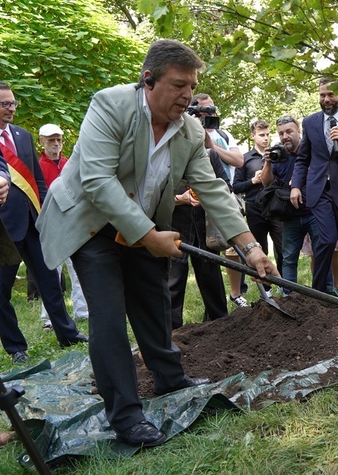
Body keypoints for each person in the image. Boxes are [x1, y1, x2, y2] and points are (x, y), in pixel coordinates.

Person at [36, 40, 277, 448]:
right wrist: (148, 237)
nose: (188, 95)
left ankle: (168, 377)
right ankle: (127, 416)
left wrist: (250, 247)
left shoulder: (190, 130)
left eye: (192, 86)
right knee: (109, 318)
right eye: (179, 85)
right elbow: (97, 181)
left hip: (142, 224)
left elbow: (214, 191)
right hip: (91, 224)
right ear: (148, 80)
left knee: (153, 303)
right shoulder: (110, 106)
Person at [0, 82, 87, 364]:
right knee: (0, 293)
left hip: (34, 224)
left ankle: (67, 333)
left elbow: (37, 180)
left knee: (51, 283)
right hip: (2, 229)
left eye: (13, 103)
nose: (11, 108)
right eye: (5, 104)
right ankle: (16, 348)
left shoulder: (22, 136)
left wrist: (48, 211)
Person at [290, 79, 338, 298]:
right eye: (322, 95)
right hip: (318, 191)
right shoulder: (310, 122)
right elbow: (302, 158)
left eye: (330, 95)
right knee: (325, 240)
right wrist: (296, 186)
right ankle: (318, 294)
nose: (326, 99)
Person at [191, 93, 249, 308]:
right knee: (204, 255)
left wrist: (212, 146)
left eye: (212, 110)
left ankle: (234, 294)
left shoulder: (223, 134)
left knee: (228, 247)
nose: (209, 114)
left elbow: (239, 160)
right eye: (203, 110)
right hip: (193, 201)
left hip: (223, 195)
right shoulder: (187, 129)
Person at [260, 115, 328, 294]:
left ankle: (327, 293)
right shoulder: (278, 155)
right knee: (289, 258)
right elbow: (266, 182)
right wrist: (268, 161)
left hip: (314, 211)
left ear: (299, 130)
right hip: (290, 215)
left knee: (322, 254)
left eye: (289, 131)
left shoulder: (312, 149)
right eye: (281, 133)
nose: (285, 136)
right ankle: (289, 295)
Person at [168, 148, 230, 329]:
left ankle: (220, 326)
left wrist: (207, 193)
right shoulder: (167, 156)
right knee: (173, 283)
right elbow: (153, 196)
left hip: (205, 232)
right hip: (176, 230)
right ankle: (172, 334)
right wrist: (180, 199)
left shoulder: (209, 155)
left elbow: (225, 186)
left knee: (211, 280)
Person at [37, 123, 89, 323]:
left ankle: (82, 312)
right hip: (51, 225)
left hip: (73, 221)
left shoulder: (69, 163)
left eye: (58, 139)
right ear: (42, 141)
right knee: (52, 271)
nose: (56, 143)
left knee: (78, 269)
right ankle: (49, 317)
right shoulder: (38, 165)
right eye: (51, 140)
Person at [234, 119, 283, 287]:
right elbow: (236, 186)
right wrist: (253, 181)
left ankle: (284, 285)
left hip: (276, 207)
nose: (265, 138)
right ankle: (266, 287)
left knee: (283, 248)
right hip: (254, 209)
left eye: (268, 135)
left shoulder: (278, 155)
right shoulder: (244, 159)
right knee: (259, 250)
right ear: (253, 136)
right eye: (261, 135)